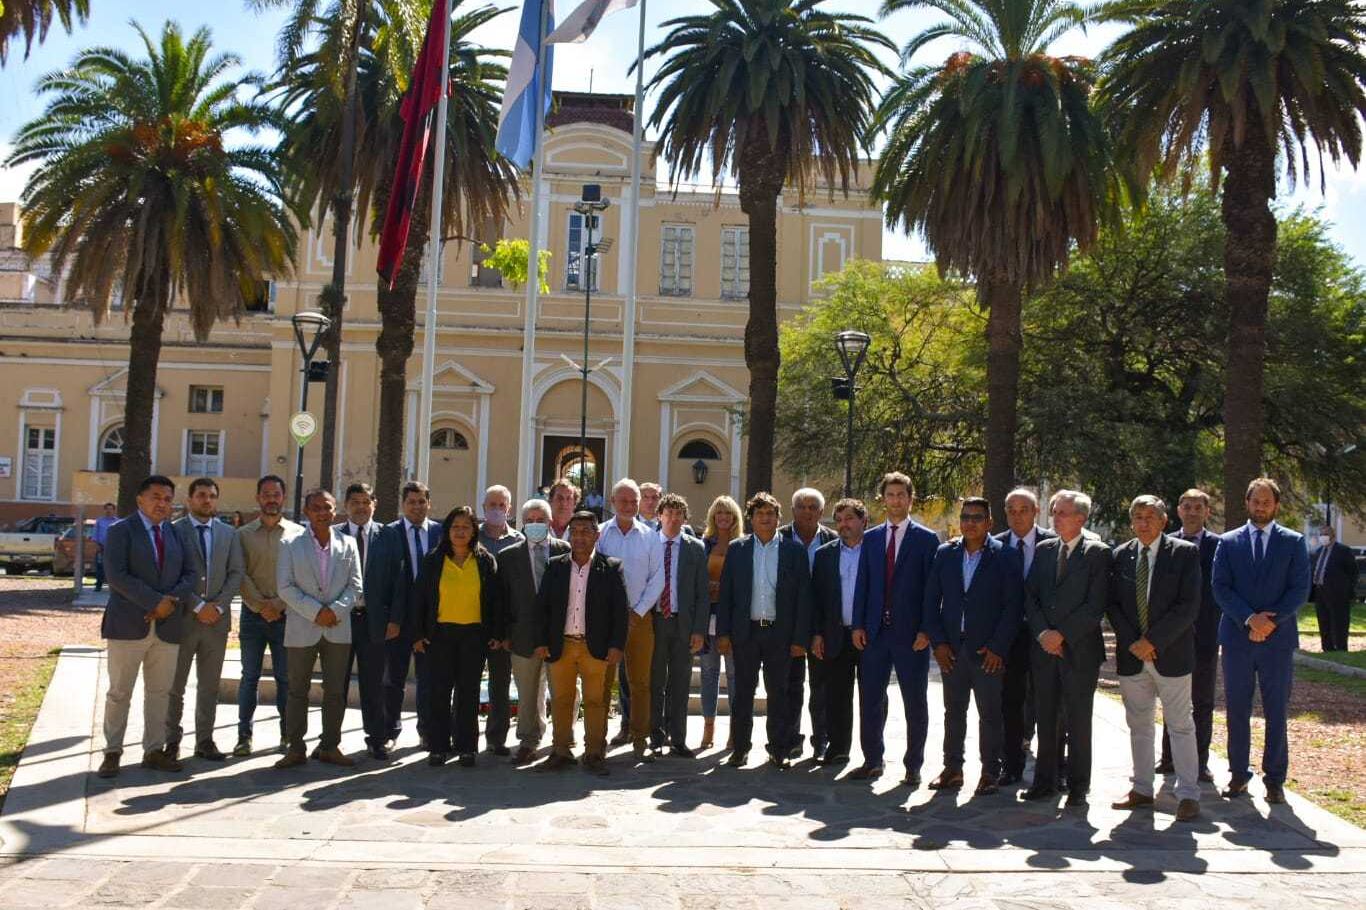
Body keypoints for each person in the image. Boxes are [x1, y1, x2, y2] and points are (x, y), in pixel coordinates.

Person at [1212, 477, 1311, 805]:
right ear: (1247, 502)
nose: (1261, 506)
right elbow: (1220, 587)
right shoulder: (1228, 542)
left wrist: (1271, 621)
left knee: (1276, 710)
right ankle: (1239, 775)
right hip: (1238, 639)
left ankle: (1275, 780)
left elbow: (1299, 589)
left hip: (1277, 640)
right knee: (1237, 709)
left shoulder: (1294, 542)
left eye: (1267, 501)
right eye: (1256, 501)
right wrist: (1249, 619)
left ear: (1276, 505)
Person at [1106, 495, 1203, 821]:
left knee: (1180, 725)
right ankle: (1142, 789)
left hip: (1171, 655)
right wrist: (1135, 642)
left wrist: (1153, 641)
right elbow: (1113, 606)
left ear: (1164, 521)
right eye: (1137, 517)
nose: (1143, 522)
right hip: (1133, 656)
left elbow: (1188, 606)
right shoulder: (1120, 556)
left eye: (1149, 516)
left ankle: (1188, 794)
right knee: (1139, 725)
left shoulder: (1184, 553)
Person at [916, 497, 1022, 795]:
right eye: (965, 517)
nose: (970, 523)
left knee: (990, 714)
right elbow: (930, 602)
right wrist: (938, 643)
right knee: (954, 712)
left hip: (987, 652)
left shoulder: (1006, 556)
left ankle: (990, 771)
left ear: (989, 523)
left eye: (977, 518)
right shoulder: (945, 553)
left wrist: (998, 648)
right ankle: (953, 769)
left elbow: (1013, 608)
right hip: (952, 649)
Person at [96, 475, 198, 779]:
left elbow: (191, 574)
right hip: (128, 625)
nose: (162, 503)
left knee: (160, 692)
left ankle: (153, 750)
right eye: (156, 497)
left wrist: (170, 602)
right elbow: (116, 575)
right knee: (119, 692)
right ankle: (112, 751)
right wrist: (155, 601)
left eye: (167, 499)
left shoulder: (177, 534)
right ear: (140, 499)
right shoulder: (120, 531)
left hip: (167, 628)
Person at [1021, 490, 1111, 808]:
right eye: (1055, 512)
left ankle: (1077, 786)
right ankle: (1045, 782)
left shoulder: (1098, 553)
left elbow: (1095, 605)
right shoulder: (1045, 550)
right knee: (1045, 717)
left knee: (1077, 720)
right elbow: (1030, 596)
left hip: (1079, 651)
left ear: (1080, 519)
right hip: (1044, 650)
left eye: (1061, 513)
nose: (1054, 517)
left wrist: (1062, 635)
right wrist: (1044, 633)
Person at [850, 472, 939, 785]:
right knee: (870, 698)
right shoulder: (871, 538)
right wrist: (858, 624)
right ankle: (872, 760)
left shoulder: (927, 540)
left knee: (915, 701)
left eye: (902, 494)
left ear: (910, 499)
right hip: (874, 633)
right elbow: (863, 583)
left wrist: (927, 629)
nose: (896, 500)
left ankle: (913, 765)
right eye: (891, 494)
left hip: (912, 635)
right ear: (883, 499)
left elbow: (932, 590)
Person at [716, 492, 812, 769]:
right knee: (743, 694)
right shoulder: (738, 549)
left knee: (779, 695)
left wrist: (799, 639)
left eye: (771, 514)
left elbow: (804, 598)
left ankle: (778, 749)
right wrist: (723, 633)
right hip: (745, 633)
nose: (766, 518)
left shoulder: (794, 552)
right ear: (751, 518)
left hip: (780, 636)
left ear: (779, 518)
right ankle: (740, 748)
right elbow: (727, 595)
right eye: (760, 514)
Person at [533, 511, 629, 776]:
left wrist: (616, 646)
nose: (579, 536)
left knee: (596, 701)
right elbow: (542, 608)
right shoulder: (556, 566)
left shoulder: (610, 567)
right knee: (562, 700)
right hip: (560, 644)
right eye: (575, 531)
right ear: (568, 535)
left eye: (586, 531)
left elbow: (620, 611)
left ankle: (594, 753)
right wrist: (541, 641)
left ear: (597, 535)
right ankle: (561, 751)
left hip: (594, 647)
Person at [412, 506, 508, 767]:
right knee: (439, 693)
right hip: (439, 635)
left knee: (469, 693)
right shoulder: (434, 560)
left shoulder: (485, 561)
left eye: (466, 527)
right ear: (447, 530)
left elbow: (497, 601)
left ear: (474, 531)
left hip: (474, 636)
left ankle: (467, 747)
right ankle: (438, 747)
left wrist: (497, 633)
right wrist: (418, 634)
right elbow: (419, 599)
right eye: (455, 527)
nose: (460, 532)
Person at [275, 489, 362, 769]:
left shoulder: (348, 543)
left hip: (337, 628)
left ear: (335, 510)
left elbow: (356, 585)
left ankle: (329, 745)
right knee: (297, 690)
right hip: (302, 627)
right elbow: (285, 586)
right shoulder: (290, 543)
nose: (322, 513)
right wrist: (316, 612)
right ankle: (295, 748)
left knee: (336, 691)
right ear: (306, 512)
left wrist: (334, 611)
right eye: (316, 508)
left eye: (327, 508)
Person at [166, 478, 243, 762]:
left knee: (209, 685)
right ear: (189, 500)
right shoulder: (174, 531)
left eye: (211, 496)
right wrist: (198, 605)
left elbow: (236, 573)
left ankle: (205, 740)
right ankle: (171, 740)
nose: (206, 500)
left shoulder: (228, 534)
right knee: (175, 684)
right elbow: (171, 574)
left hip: (217, 622)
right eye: (201, 495)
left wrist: (219, 606)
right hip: (184, 619)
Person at [596, 478, 665, 762]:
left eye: (633, 501)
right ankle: (595, 740)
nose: (628, 505)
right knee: (601, 683)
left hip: (641, 618)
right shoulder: (599, 534)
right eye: (623, 501)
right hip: (604, 622)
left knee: (641, 683)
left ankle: (640, 738)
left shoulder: (650, 537)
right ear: (612, 503)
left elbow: (657, 577)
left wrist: (637, 612)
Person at [993, 488, 1057, 786]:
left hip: (1045, 634)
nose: (1018, 516)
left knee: (1051, 703)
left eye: (1024, 510)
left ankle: (1055, 766)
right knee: (1011, 702)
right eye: (1012, 510)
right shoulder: (995, 546)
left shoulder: (1053, 544)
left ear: (1035, 512)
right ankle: (1012, 765)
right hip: (1009, 636)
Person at [499, 498, 570, 765]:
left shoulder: (565, 551)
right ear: (523, 524)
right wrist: (505, 634)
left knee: (563, 691)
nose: (536, 525)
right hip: (522, 635)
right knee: (528, 693)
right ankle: (528, 740)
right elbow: (502, 600)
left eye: (541, 520)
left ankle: (564, 740)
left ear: (550, 523)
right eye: (530, 521)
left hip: (559, 635)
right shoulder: (508, 557)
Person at [234, 475, 302, 756]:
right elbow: (239, 574)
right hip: (253, 616)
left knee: (285, 679)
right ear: (258, 497)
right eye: (266, 494)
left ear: (283, 498)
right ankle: (244, 737)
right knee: (249, 677)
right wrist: (261, 606)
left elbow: (301, 575)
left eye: (276, 494)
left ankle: (287, 734)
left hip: (287, 617)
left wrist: (279, 605)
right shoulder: (243, 535)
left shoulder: (298, 534)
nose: (271, 499)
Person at [1158, 488, 1221, 782]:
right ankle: (1168, 758)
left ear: (1207, 512)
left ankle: (1199, 761)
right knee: (1171, 699)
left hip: (1205, 635)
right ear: (1179, 510)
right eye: (1187, 506)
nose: (1192, 511)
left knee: (1203, 701)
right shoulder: (1166, 544)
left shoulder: (1220, 546)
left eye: (1198, 507)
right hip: (1171, 636)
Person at [779, 488, 838, 761]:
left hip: (822, 628)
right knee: (791, 686)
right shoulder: (778, 538)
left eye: (813, 507)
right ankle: (791, 739)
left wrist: (821, 630)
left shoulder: (833, 541)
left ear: (821, 512)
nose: (807, 511)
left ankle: (821, 740)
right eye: (801, 506)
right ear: (793, 511)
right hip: (788, 626)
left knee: (822, 687)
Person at [383, 481, 443, 748]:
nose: (417, 506)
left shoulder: (440, 532)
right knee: (393, 679)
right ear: (403, 504)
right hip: (398, 619)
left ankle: (427, 731)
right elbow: (383, 578)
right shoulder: (389, 533)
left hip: (430, 621)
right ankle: (389, 732)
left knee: (428, 679)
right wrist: (389, 618)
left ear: (429, 504)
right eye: (412, 502)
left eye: (422, 502)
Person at [649, 493, 710, 756]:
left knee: (681, 682)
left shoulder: (695, 548)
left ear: (685, 518)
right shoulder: (648, 543)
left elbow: (701, 593)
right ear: (659, 516)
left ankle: (678, 738)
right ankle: (654, 737)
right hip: (653, 623)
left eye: (678, 514)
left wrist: (699, 630)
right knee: (654, 682)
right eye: (668, 513)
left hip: (682, 624)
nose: (673, 519)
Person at [334, 482, 391, 759]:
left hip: (375, 622)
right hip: (340, 621)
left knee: (374, 684)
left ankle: (377, 739)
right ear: (346, 505)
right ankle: (330, 740)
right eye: (355, 502)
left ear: (374, 504)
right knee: (336, 683)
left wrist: (395, 619)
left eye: (365, 501)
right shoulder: (334, 536)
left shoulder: (387, 535)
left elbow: (397, 581)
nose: (360, 507)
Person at [810, 498, 868, 767]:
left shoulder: (876, 551)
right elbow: (817, 599)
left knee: (872, 696)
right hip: (835, 635)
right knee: (836, 695)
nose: (844, 524)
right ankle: (838, 748)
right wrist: (817, 633)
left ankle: (872, 752)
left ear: (863, 521)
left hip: (868, 635)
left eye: (850, 518)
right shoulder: (825, 555)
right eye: (840, 519)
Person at [478, 484, 523, 757]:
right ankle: (463, 736)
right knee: (466, 683)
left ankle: (496, 738)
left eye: (501, 505)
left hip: (503, 625)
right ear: (483, 508)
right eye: (491, 505)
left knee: (499, 683)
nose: (496, 510)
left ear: (509, 509)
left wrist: (506, 630)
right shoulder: (471, 537)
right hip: (471, 621)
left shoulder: (517, 541)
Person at [699, 495, 742, 750]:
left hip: (732, 620)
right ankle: (708, 727)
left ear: (735, 517)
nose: (723, 518)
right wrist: (707, 588)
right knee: (708, 673)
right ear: (713, 518)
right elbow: (695, 579)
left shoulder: (742, 544)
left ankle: (735, 731)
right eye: (719, 514)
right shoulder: (704, 544)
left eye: (727, 514)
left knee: (735, 675)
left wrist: (724, 588)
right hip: (708, 617)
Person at [1311, 525, 1358, 652]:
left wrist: (1348, 590)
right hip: (1320, 591)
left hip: (1338, 593)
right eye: (1321, 534)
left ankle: (1341, 648)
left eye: (1325, 534)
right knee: (1323, 621)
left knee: (1339, 621)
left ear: (1332, 536)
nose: (1323, 537)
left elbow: (1353, 572)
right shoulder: (1318, 551)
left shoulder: (1343, 551)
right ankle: (1327, 648)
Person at [92, 502, 119, 592]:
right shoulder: (99, 521)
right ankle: (98, 585)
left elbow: (120, 536)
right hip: (101, 547)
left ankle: (114, 587)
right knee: (100, 566)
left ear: (114, 510)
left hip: (113, 548)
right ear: (104, 510)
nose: (108, 511)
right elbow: (95, 534)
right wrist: (96, 545)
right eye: (107, 509)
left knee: (114, 567)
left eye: (110, 509)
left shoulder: (118, 522)